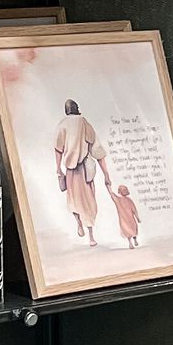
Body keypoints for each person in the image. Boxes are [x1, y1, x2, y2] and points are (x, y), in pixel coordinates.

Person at [54, 99, 106, 241]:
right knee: (88, 202)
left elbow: (58, 149)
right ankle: (90, 234)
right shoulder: (84, 123)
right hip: (82, 170)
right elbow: (98, 150)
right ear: (77, 109)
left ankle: (81, 225)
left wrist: (58, 168)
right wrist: (106, 174)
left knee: (74, 201)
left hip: (75, 170)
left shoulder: (63, 125)